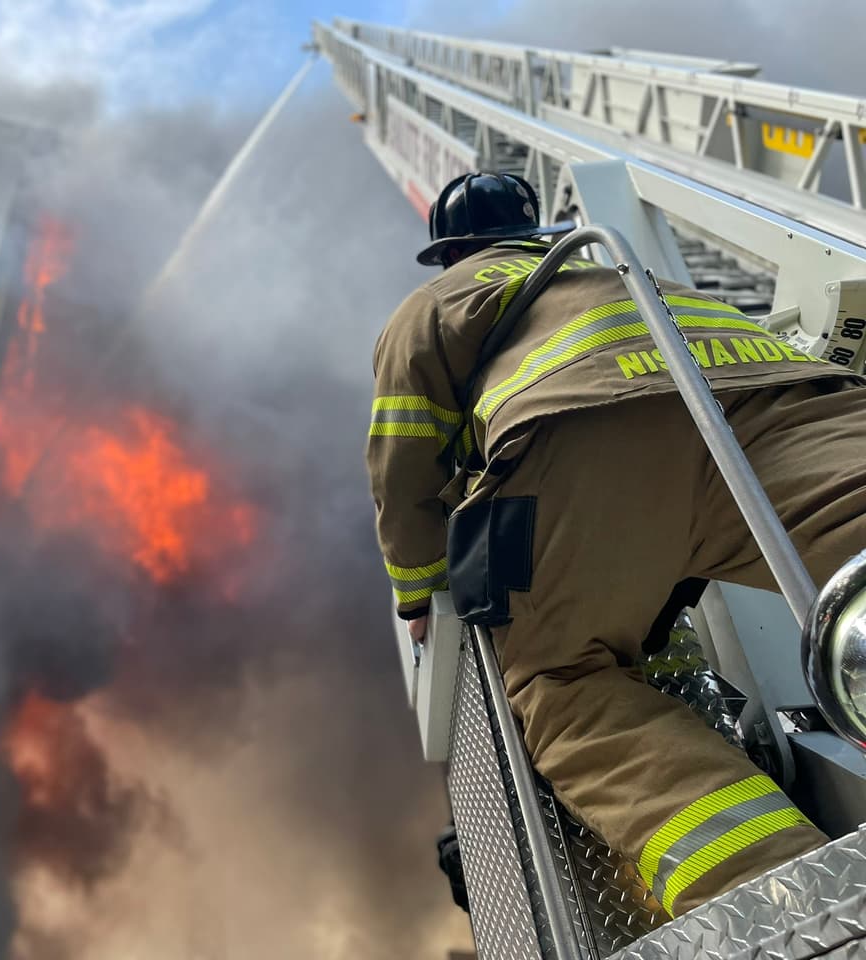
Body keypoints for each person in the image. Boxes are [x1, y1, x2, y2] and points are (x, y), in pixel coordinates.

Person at [366, 171, 866, 918]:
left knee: (561, 682)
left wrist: (419, 591)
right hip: (779, 404)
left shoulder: (437, 302)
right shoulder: (614, 264)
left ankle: (782, 899)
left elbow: (402, 461)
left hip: (585, 442)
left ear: (451, 250)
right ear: (533, 228)